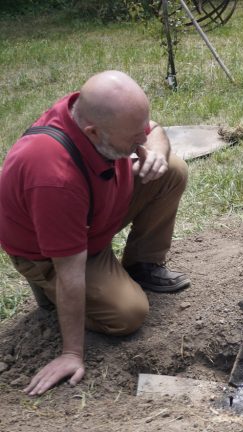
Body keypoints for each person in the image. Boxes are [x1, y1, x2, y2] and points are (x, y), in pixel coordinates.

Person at [0, 70, 190, 396]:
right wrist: (72, 353)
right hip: (53, 250)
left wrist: (156, 152)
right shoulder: (53, 177)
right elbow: (71, 273)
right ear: (92, 132)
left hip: (92, 212)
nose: (141, 142)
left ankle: (142, 265)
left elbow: (155, 130)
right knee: (128, 314)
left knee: (171, 170)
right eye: (133, 139)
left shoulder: (94, 112)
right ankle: (47, 288)